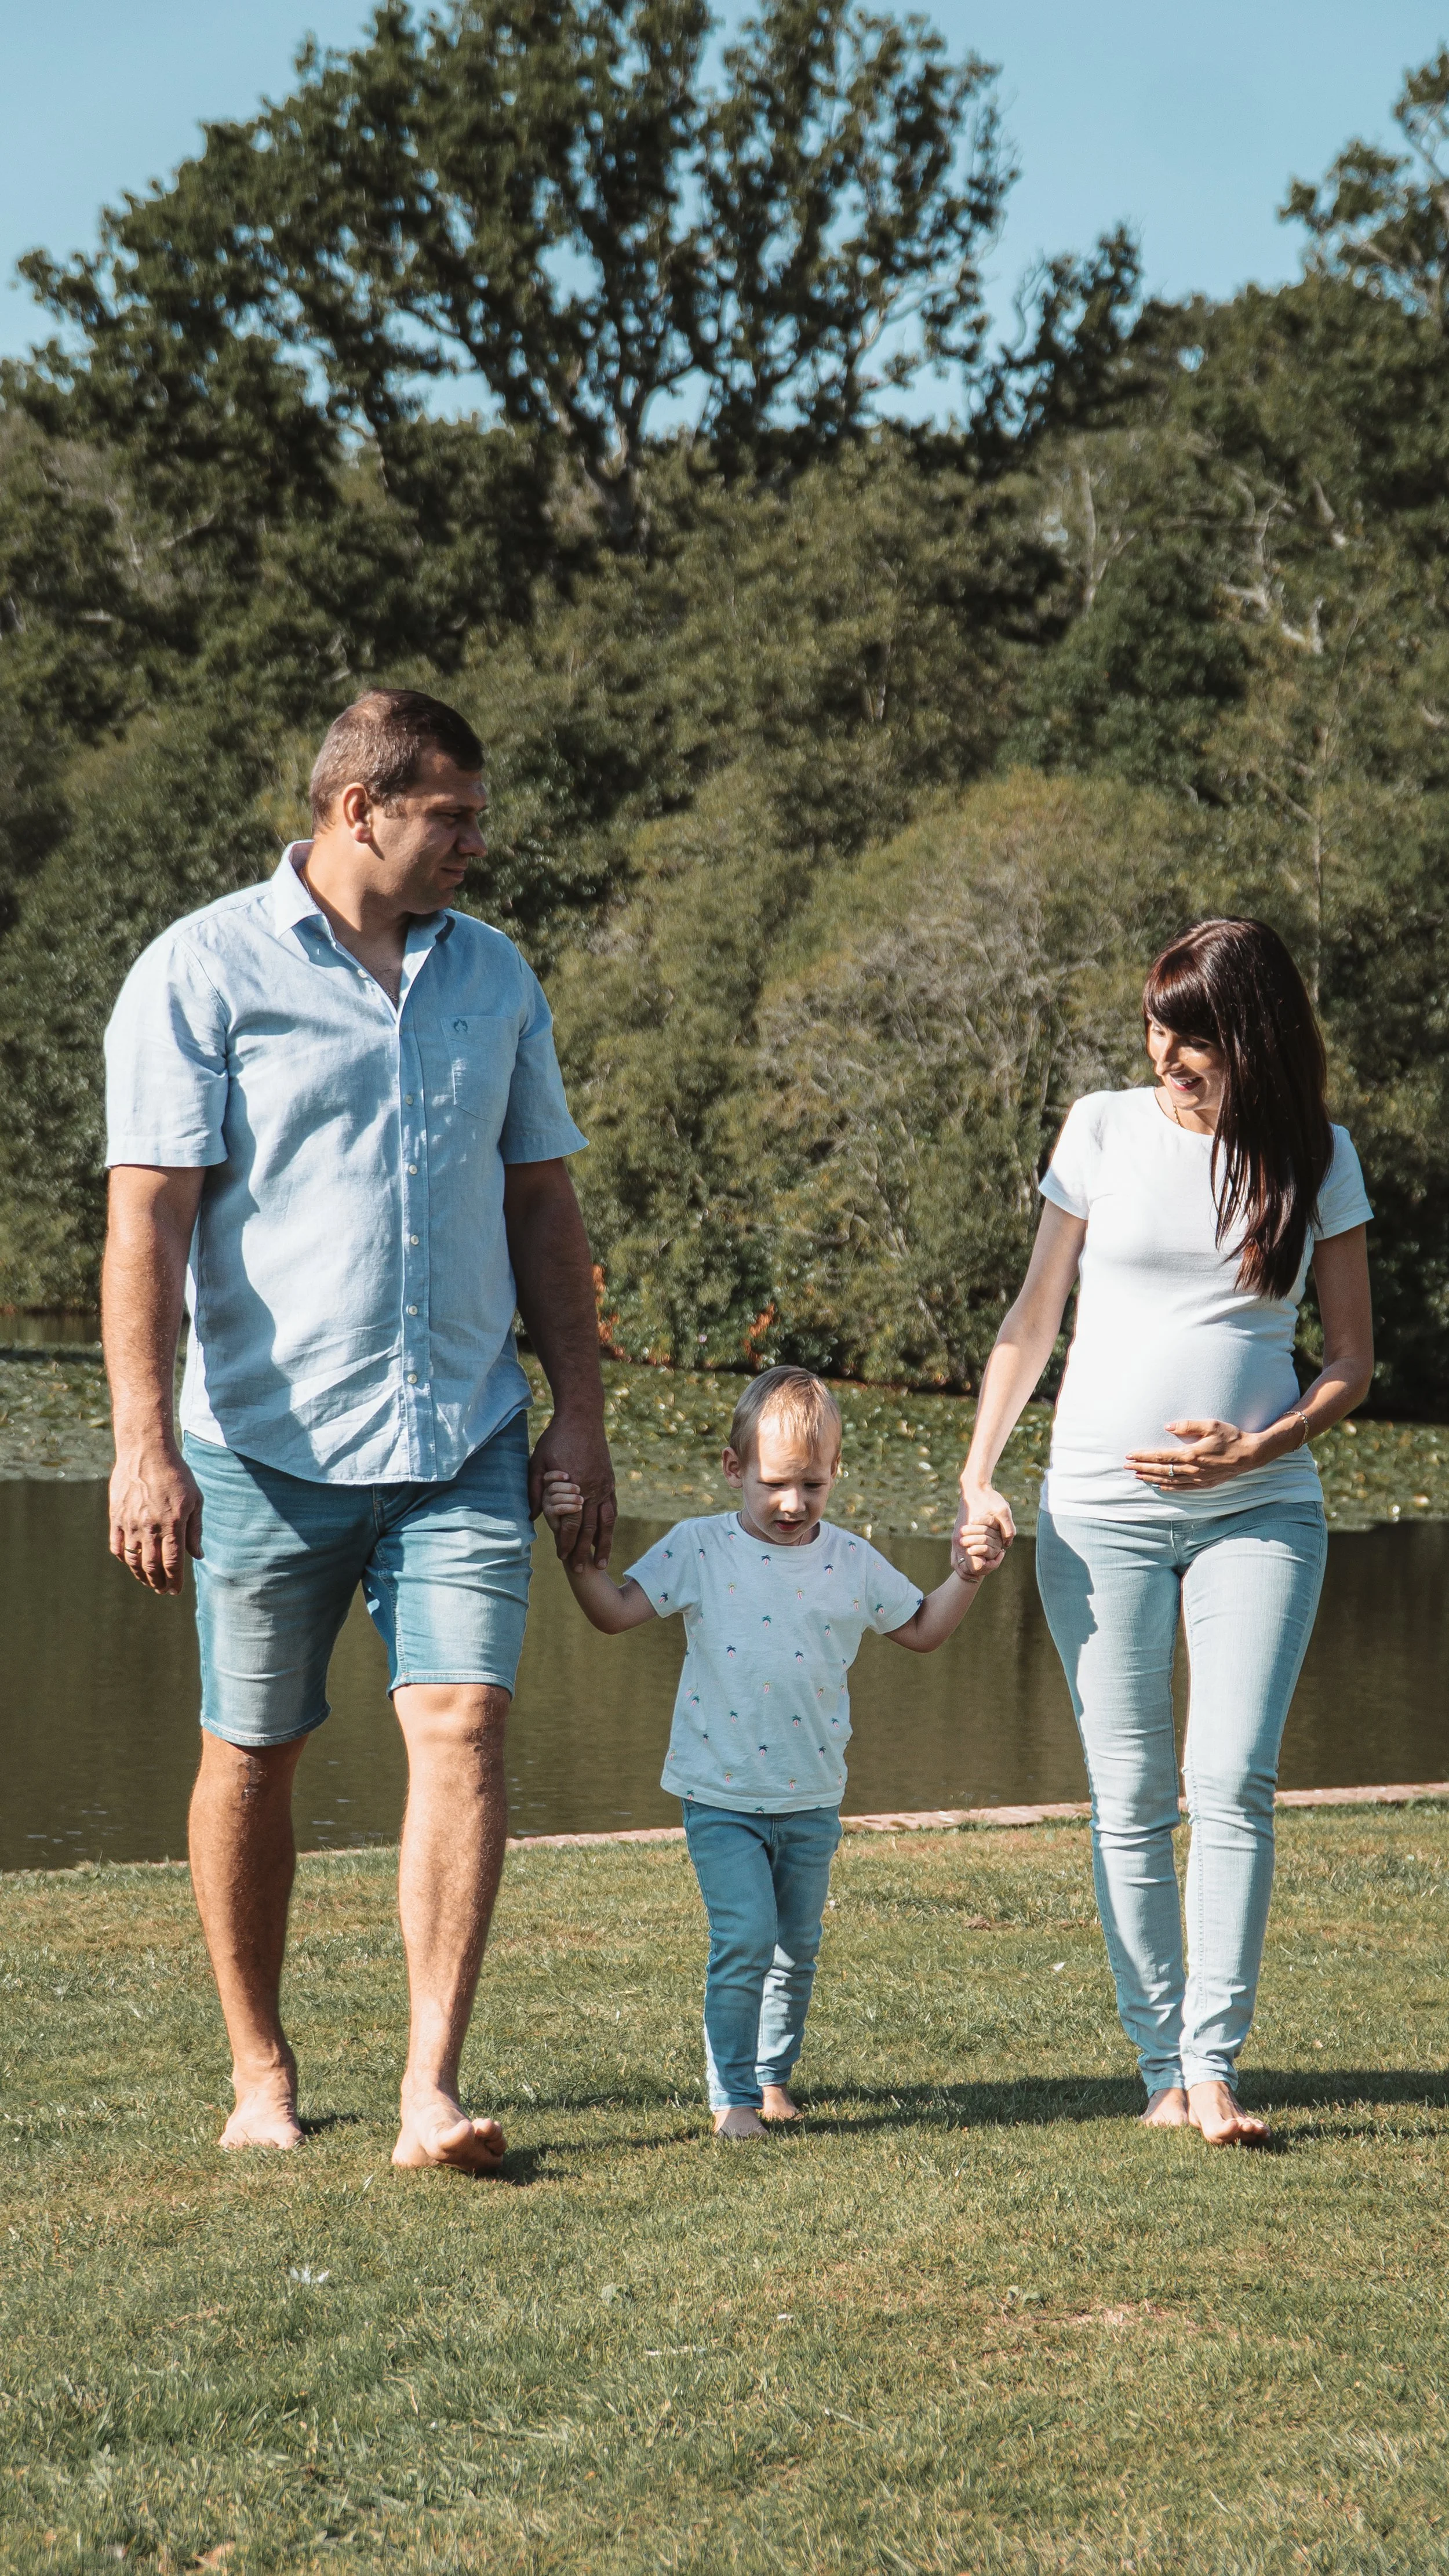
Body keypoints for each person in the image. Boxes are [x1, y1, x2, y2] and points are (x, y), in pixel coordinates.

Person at [103, 689, 615, 2172]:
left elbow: (540, 1202)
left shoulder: (495, 976)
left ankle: (428, 2089)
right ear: (360, 811)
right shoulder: (200, 970)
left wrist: (577, 1410)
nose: (474, 840)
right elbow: (147, 1217)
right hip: (264, 1440)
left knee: (463, 1723)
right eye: (450, 814)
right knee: (252, 1749)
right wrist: (145, 1439)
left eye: (474, 813)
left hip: (459, 1430)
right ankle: (259, 2067)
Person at [955, 919, 1374, 2148]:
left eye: (1194, 1038)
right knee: (1128, 1795)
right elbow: (1032, 1316)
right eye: (1156, 1028)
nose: (1167, 1056)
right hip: (1096, 1511)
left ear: (1254, 1040)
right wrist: (978, 1473)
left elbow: (1347, 1359)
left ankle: (1212, 2066)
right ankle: (1156, 2064)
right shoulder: (1098, 1127)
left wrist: (1261, 1444)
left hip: (1260, 1512)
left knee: (1229, 1781)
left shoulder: (1316, 1154)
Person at [543, 1365, 1003, 2137]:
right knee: (746, 1938)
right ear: (734, 1470)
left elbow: (923, 1630)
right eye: (776, 1483)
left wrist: (967, 1575)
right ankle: (732, 2097)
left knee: (796, 1949)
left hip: (812, 1795)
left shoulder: (852, 1562)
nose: (794, 1503)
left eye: (813, 1486)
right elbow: (614, 1613)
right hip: (720, 1794)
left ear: (835, 1477)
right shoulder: (699, 1547)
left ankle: (772, 2077)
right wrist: (575, 1557)